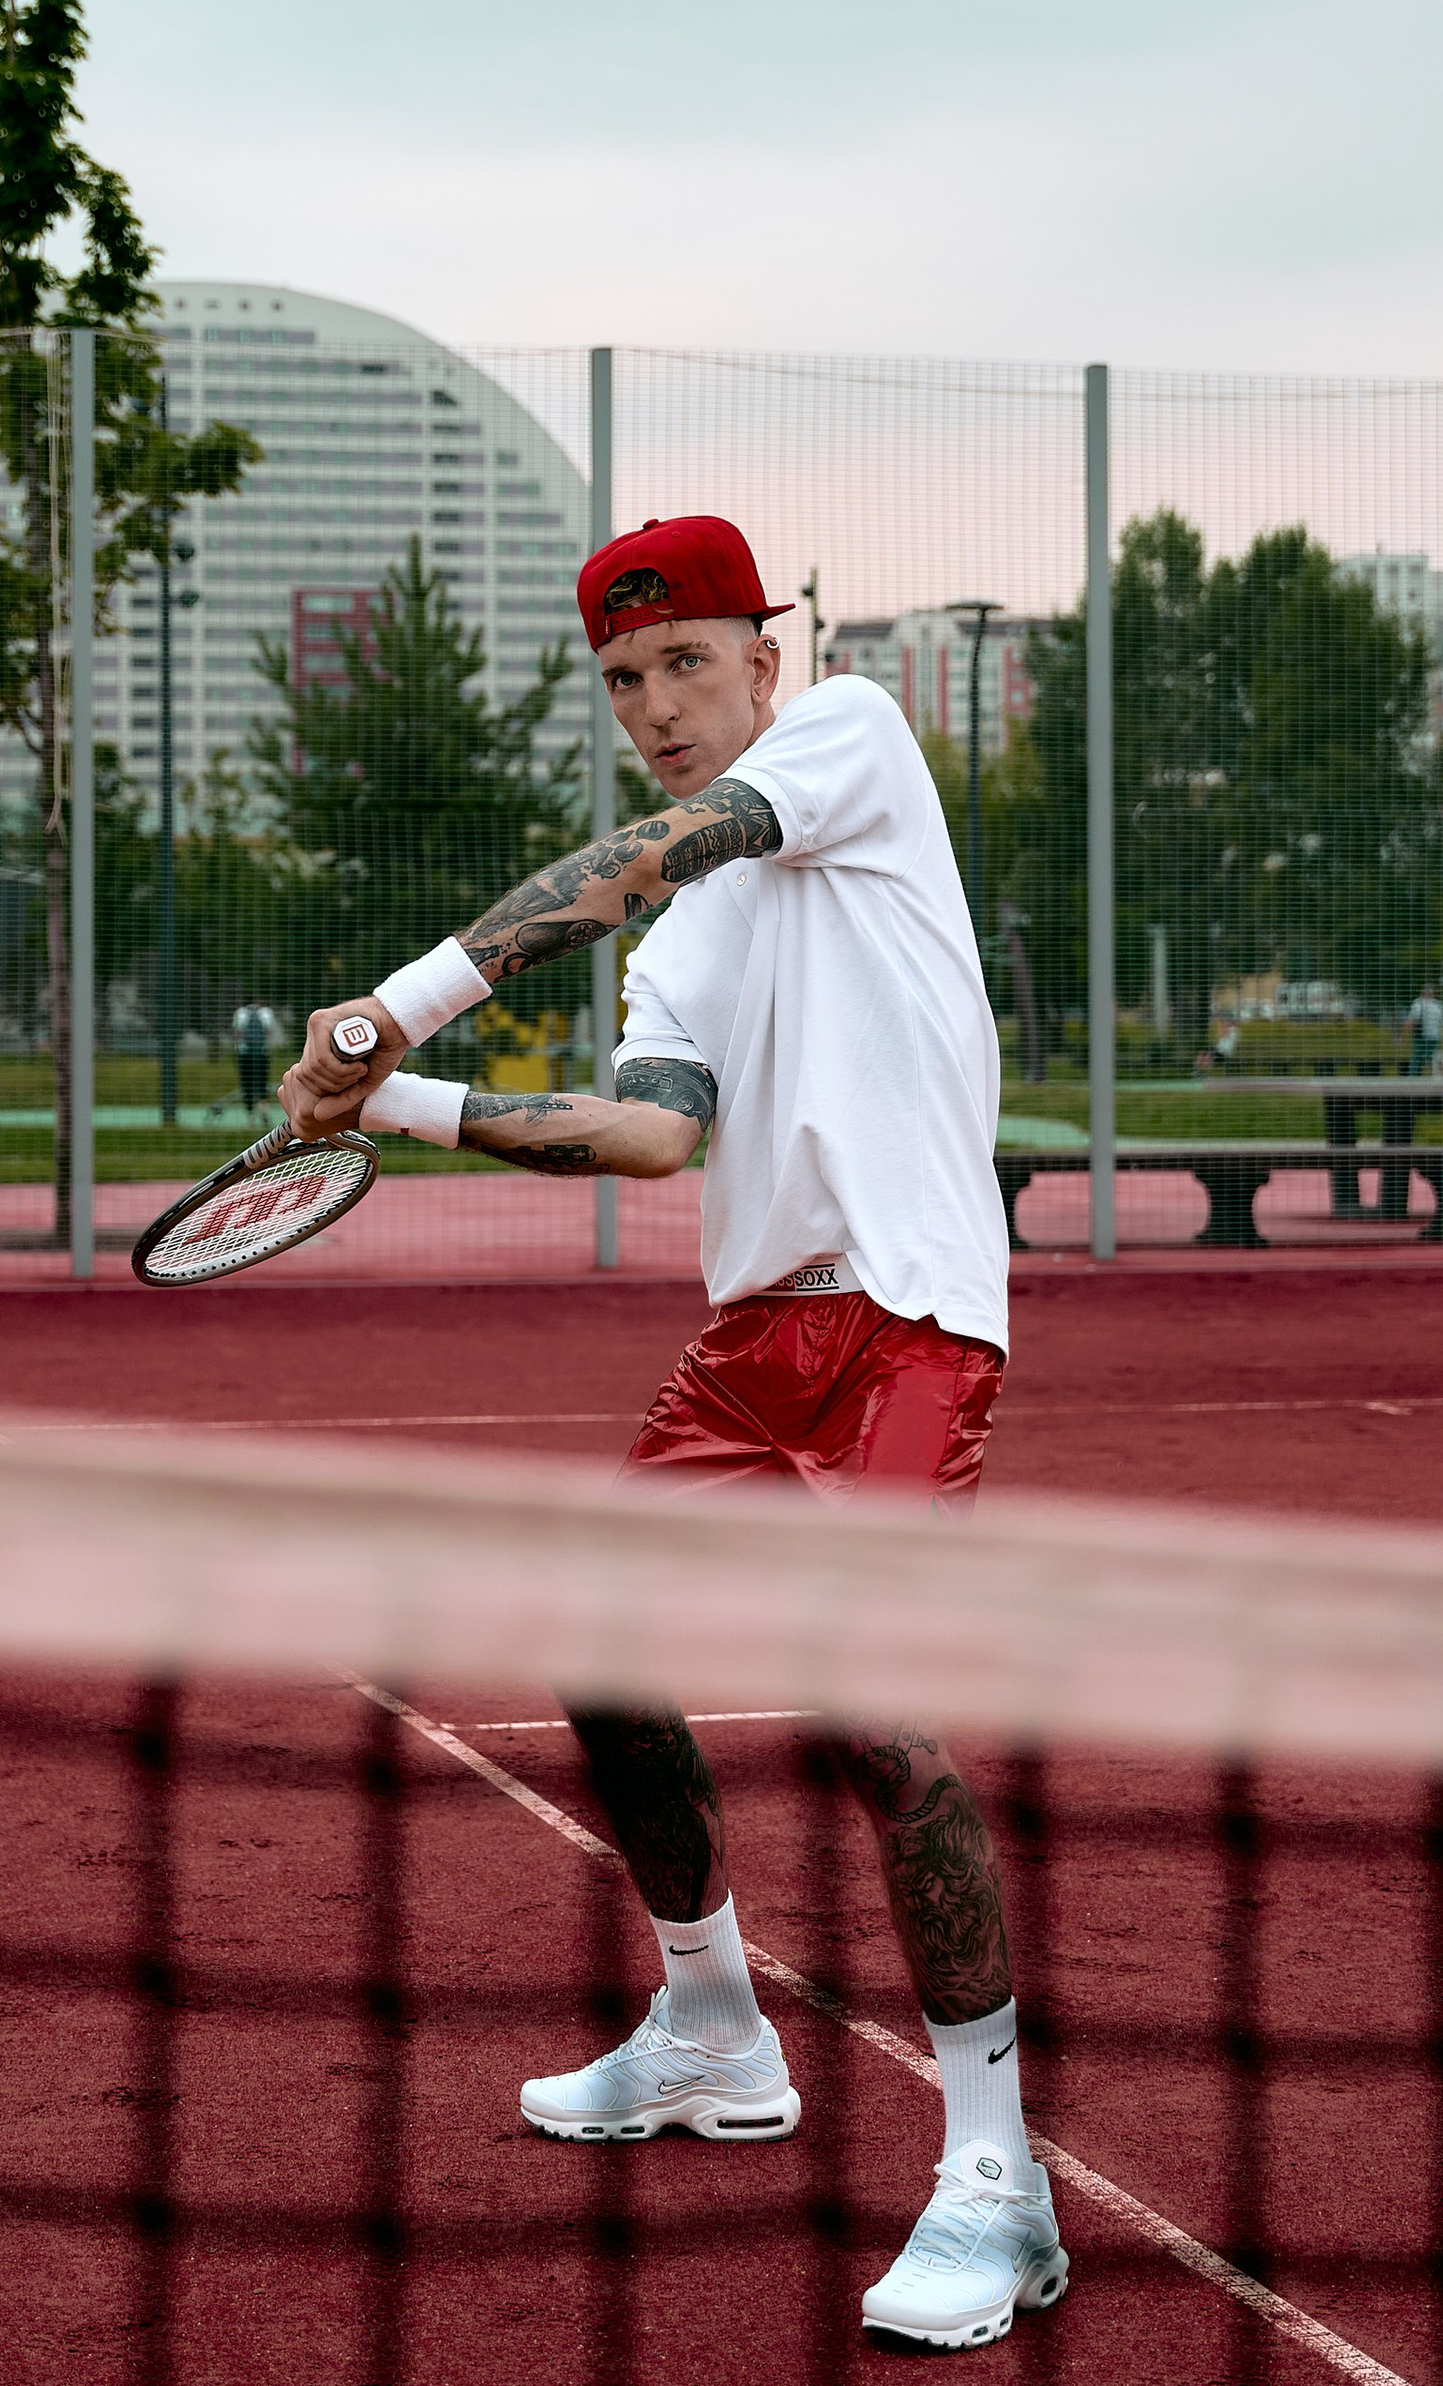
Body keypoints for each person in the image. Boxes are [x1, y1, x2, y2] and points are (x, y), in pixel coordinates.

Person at [281, 515, 1066, 2354]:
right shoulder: (694, 935)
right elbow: (651, 1139)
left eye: (685, 666)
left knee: (878, 1715)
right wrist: (401, 1097)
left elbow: (638, 860)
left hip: (912, 1318)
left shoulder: (851, 739)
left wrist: (390, 1006)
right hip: (754, 1336)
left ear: (763, 661)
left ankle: (999, 2181)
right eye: (624, 681)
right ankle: (713, 2028)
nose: (654, 708)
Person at [231, 997, 282, 1120]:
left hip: (245, 1053)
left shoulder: (240, 1013)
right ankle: (263, 1108)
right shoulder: (266, 1013)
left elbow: (237, 1032)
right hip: (261, 1053)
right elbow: (270, 1031)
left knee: (246, 1082)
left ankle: (250, 1114)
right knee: (262, 1081)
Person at [1404, 986, 1443, 1077]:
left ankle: (1412, 1079)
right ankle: (1438, 1076)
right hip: (1435, 1037)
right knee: (1432, 1058)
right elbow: (1442, 1023)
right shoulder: (1438, 1006)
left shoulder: (1418, 1004)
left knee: (1416, 1059)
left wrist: (1404, 1036)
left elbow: (1410, 1022)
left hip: (1421, 1036)